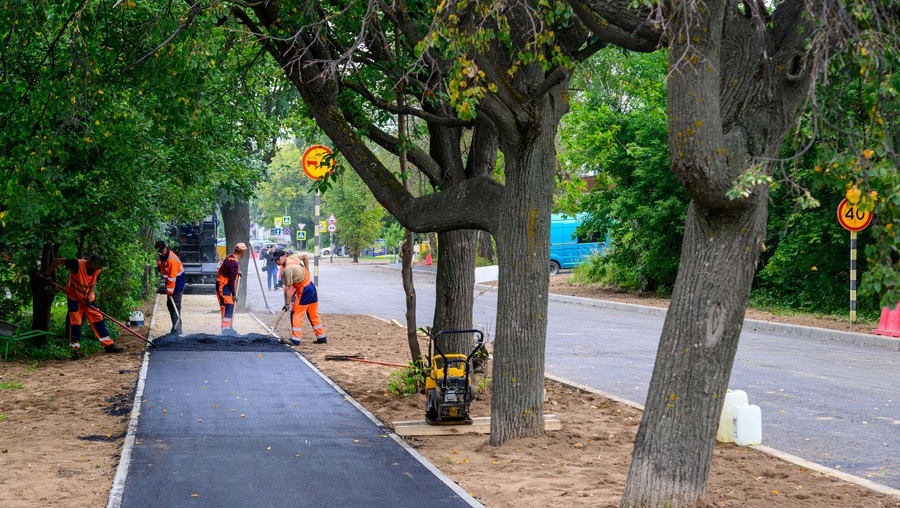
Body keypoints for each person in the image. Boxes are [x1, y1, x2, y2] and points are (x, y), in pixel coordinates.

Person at [46, 254, 123, 354]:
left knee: (98, 318)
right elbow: (57, 260)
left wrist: (88, 297)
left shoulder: (98, 270)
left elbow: (94, 284)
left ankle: (109, 346)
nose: (100, 267)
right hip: (74, 298)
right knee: (75, 322)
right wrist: (47, 274)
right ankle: (75, 350)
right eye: (98, 265)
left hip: (88, 299)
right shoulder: (77, 264)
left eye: (101, 265)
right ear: (91, 261)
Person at [274, 250, 326, 345]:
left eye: (278, 259)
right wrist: (307, 270)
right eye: (275, 260)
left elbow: (288, 290)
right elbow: (305, 256)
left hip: (305, 290)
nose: (277, 262)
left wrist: (287, 304)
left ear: (284, 256)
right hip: (311, 287)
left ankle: (295, 340)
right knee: (312, 314)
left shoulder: (287, 270)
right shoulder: (293, 257)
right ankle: (322, 337)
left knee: (295, 313)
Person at [155, 241, 186, 335]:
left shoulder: (171, 260)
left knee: (175, 305)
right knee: (170, 305)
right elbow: (164, 271)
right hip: (171, 282)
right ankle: (176, 326)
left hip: (178, 282)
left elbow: (172, 278)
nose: (161, 253)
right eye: (159, 252)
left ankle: (177, 329)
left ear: (166, 248)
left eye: (161, 251)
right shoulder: (162, 257)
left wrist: (169, 292)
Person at [216, 242, 247, 335]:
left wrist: (237, 272)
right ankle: (226, 330)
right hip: (224, 286)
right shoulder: (233, 263)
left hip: (223, 284)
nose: (244, 253)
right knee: (228, 306)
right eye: (243, 251)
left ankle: (228, 328)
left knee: (227, 307)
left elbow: (228, 271)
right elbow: (231, 282)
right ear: (241, 252)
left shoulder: (230, 257)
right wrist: (234, 295)